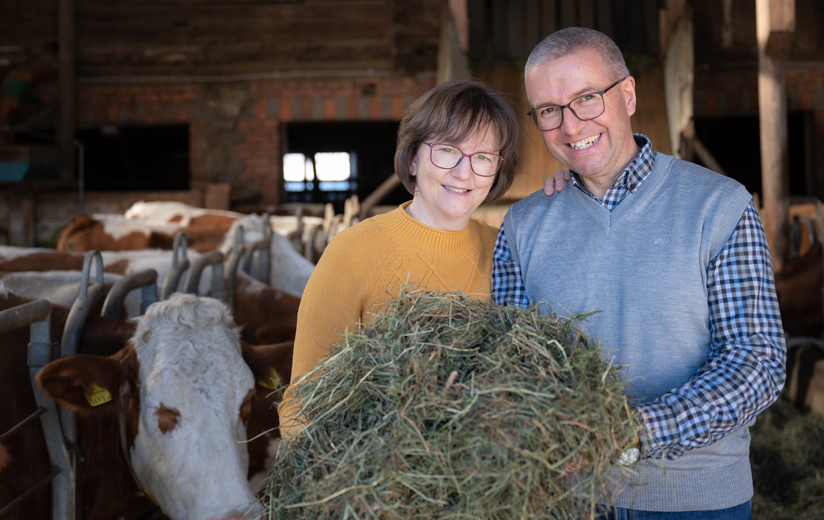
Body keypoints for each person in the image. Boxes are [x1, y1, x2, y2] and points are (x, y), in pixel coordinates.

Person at [493, 27, 786, 518]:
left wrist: (632, 432)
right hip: (564, 497)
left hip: (694, 500)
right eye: (549, 110)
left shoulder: (719, 205)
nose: (570, 125)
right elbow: (512, 362)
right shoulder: (523, 225)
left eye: (587, 98)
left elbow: (755, 362)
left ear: (627, 95)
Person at [278, 79, 521, 440]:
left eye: (482, 157)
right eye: (447, 150)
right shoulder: (353, 252)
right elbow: (304, 402)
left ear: (497, 171)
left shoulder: (504, 252)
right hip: (376, 475)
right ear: (411, 160)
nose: (464, 171)